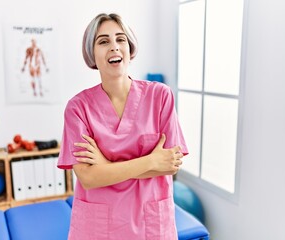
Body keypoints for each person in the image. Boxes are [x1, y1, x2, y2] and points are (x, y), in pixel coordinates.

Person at [57, 13, 188, 240]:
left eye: (121, 39)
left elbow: (170, 165)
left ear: (130, 48)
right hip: (99, 228)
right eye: (103, 41)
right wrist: (150, 161)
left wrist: (106, 167)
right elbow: (88, 178)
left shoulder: (160, 96)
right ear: (92, 53)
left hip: (151, 226)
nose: (114, 47)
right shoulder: (78, 108)